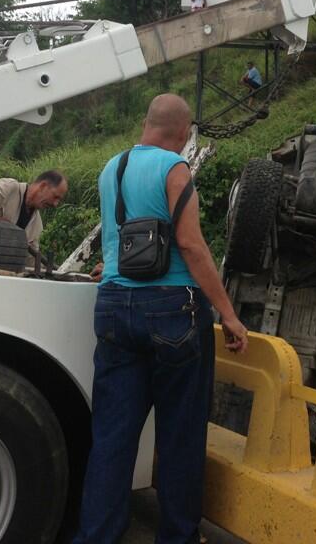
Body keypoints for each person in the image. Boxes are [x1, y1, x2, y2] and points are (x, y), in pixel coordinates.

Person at [73, 93, 249, 544]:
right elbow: (190, 245)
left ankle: (96, 536)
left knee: (112, 436)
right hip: (172, 311)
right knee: (180, 436)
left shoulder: (111, 168)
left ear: (146, 123)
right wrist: (228, 315)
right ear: (185, 131)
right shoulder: (175, 169)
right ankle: (177, 537)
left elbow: (118, 242)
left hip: (113, 305)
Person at [0, 170, 69, 266]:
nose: (55, 204)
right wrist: (6, 226)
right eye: (55, 197)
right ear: (43, 186)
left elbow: (30, 261)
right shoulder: (9, 187)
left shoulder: (37, 225)